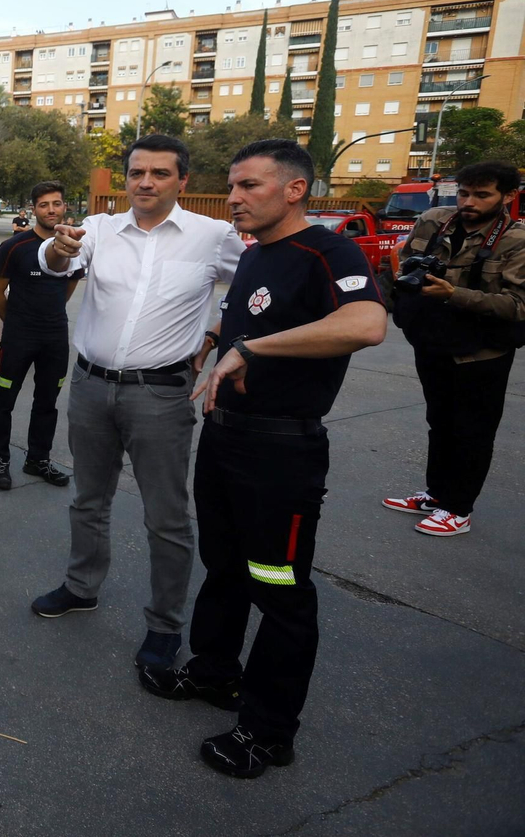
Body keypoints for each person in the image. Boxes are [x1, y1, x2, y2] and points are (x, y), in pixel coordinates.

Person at [142, 139, 385, 779]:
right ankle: (214, 673)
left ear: (294, 189)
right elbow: (246, 318)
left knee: (278, 586)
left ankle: (270, 731)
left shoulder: (328, 252)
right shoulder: (255, 256)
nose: (233, 198)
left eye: (249, 186)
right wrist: (217, 338)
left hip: (282, 450)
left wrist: (256, 351)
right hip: (228, 435)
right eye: (233, 186)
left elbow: (365, 324)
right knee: (223, 565)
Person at [29, 134, 245, 676]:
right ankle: (81, 587)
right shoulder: (100, 228)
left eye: (159, 174)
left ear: (183, 181)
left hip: (161, 393)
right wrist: (59, 247)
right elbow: (56, 262)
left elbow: (258, 288)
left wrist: (218, 335)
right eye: (137, 173)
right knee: (88, 499)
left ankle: (164, 624)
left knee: (166, 517)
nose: (145, 182)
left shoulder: (214, 236)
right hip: (92, 386)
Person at [381, 160, 523, 536]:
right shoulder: (432, 221)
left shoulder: (516, 240)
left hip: (482, 352)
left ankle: (458, 509)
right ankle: (436, 495)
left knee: (473, 431)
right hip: (433, 342)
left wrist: (453, 294)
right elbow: (407, 266)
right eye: (463, 193)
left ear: (509, 196)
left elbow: (518, 306)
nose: (469, 202)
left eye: (482, 194)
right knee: (440, 424)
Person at [0, 180, 83, 489]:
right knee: (5, 399)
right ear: (33, 209)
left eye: (56, 203)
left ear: (64, 206)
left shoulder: (72, 247)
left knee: (48, 401)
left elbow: (69, 285)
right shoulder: (14, 246)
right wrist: (16, 321)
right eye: (44, 205)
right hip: (19, 337)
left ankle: (38, 459)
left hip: (55, 337)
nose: (51, 209)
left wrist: (49, 316)